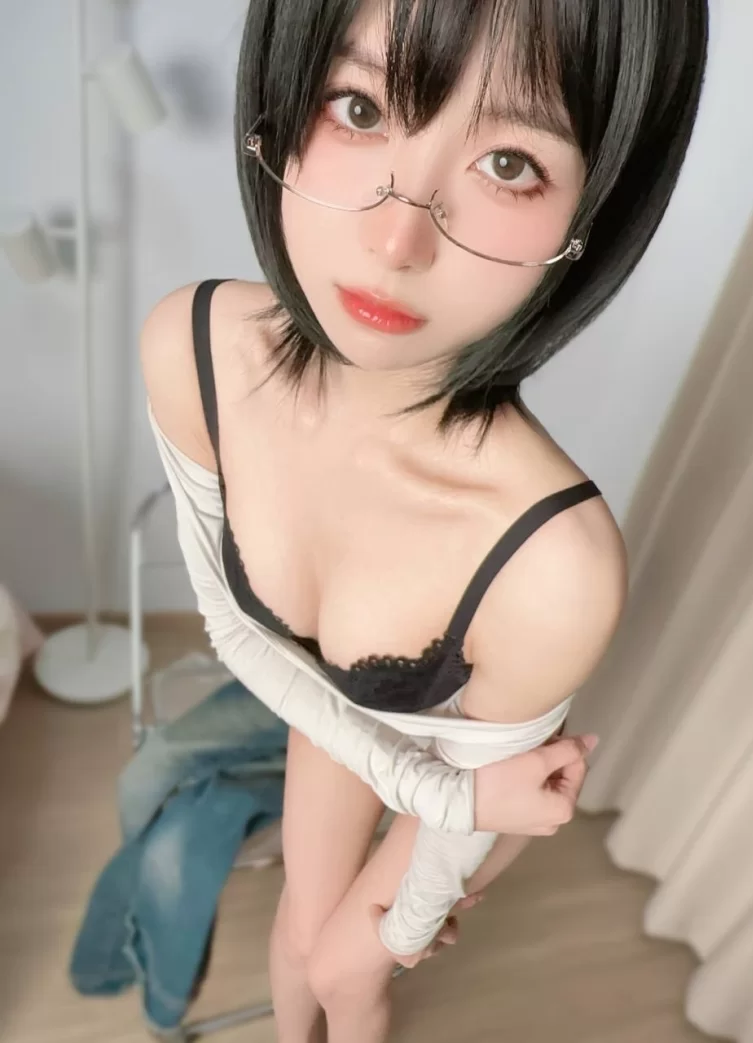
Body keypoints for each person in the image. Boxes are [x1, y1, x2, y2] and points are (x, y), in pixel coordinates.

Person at [140, 0, 709, 1040]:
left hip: (478, 784)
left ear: (592, 214)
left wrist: (441, 830)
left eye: (508, 165)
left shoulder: (552, 564)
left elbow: (467, 816)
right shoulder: (195, 347)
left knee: (345, 971)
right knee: (296, 937)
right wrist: (444, 795)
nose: (395, 240)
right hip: (393, 747)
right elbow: (231, 628)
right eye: (358, 106)